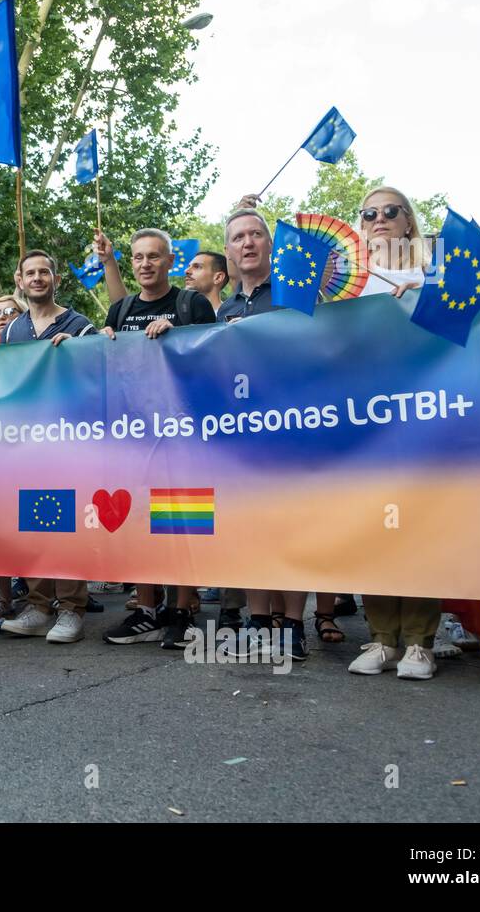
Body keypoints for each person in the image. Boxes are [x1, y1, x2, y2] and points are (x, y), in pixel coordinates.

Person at [95, 228, 216, 649]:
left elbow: (211, 358)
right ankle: (146, 610)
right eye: (138, 257)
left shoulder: (192, 304)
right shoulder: (122, 309)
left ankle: (182, 613)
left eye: (154, 256)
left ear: (170, 262)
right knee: (141, 523)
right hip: (134, 435)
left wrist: (178, 335)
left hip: (183, 434)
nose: (145, 264)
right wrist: (101, 343)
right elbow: (108, 364)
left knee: (184, 522)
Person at [341, 187, 441, 677]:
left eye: (390, 211)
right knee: (372, 525)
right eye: (369, 214)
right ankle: (382, 637)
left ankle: (420, 642)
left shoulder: (433, 270)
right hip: (363, 417)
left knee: (419, 524)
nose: (379, 219)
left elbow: (463, 327)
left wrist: (423, 301)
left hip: (423, 413)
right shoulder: (348, 282)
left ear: (408, 221)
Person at [214, 209, 308, 661]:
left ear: (270, 244)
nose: (247, 243)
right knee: (249, 529)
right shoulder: (225, 309)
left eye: (255, 235)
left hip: (289, 428)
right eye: (238, 238)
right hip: (240, 434)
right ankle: (256, 621)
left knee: (289, 527)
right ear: (229, 250)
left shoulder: (296, 293)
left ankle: (292, 625)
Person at [0, 250, 96, 644]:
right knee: (33, 524)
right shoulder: (10, 331)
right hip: (25, 445)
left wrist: (78, 352)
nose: (37, 278)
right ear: (19, 282)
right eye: (30, 273)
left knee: (66, 527)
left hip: (68, 443)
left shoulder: (81, 325)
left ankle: (72, 609)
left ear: (56, 279)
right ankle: (38, 605)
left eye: (44, 272)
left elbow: (97, 379)